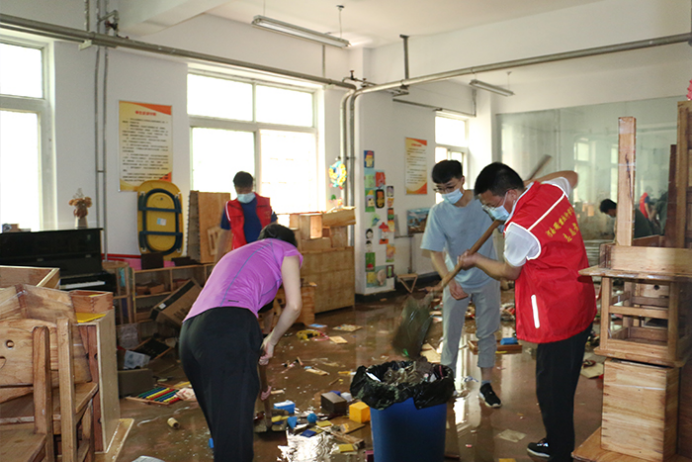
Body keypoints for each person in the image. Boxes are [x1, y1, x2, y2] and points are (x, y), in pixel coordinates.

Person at [458, 163, 596, 462]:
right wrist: (532, 183)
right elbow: (571, 176)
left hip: (556, 315)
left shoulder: (519, 229)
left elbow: (509, 272)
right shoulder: (553, 190)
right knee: (562, 380)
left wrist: (476, 259)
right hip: (580, 300)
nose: (491, 211)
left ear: (510, 194)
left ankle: (560, 451)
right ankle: (556, 440)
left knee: (552, 392)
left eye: (492, 204)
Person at [180, 223, 302, 462]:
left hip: (189, 335)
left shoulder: (236, 254)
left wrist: (256, 380)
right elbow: (295, 305)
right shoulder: (286, 250)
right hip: (228, 326)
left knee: (225, 436)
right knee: (234, 446)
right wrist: (272, 339)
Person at [421, 160, 502, 408]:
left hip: (487, 276)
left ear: (462, 180)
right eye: (440, 189)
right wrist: (449, 279)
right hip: (455, 280)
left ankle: (486, 385)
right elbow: (435, 253)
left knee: (487, 333)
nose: (446, 193)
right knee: (451, 334)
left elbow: (507, 219)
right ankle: (447, 384)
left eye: (450, 187)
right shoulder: (439, 213)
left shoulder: (484, 202)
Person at [215, 171, 277, 262]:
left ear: (252, 186)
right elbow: (224, 236)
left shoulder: (265, 204)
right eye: (240, 190)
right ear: (235, 188)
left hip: (263, 253)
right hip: (240, 254)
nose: (244, 193)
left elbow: (275, 228)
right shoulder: (230, 208)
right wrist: (217, 261)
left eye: (247, 189)